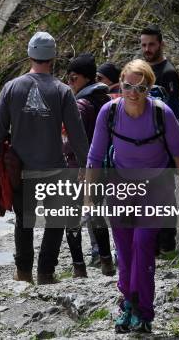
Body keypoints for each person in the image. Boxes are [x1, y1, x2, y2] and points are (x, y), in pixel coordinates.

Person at [85, 60, 179, 333]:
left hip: (156, 185)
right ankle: (128, 305)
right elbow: (95, 156)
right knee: (124, 248)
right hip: (120, 184)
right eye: (127, 86)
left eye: (141, 88)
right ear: (120, 84)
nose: (133, 93)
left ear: (149, 87)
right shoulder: (109, 113)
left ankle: (143, 311)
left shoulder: (162, 113)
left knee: (143, 243)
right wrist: (88, 196)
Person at [0, 31, 89, 285]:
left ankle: (23, 273)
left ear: (30, 53)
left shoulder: (12, 88)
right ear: (53, 57)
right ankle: (46, 272)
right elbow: (77, 135)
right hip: (54, 166)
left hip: (20, 168)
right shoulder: (63, 91)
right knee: (55, 221)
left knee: (24, 221)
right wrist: (86, 165)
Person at [63, 53, 115, 278]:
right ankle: (106, 260)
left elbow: (74, 142)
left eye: (73, 78)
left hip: (80, 169)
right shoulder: (107, 99)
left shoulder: (81, 105)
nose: (69, 83)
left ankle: (78, 267)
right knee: (97, 214)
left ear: (85, 78)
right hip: (106, 166)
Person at [140, 25, 179, 253]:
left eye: (151, 44)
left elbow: (173, 113)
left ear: (161, 44)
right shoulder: (141, 71)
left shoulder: (168, 73)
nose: (147, 49)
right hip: (142, 144)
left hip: (164, 145)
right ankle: (151, 243)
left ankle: (167, 243)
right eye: (144, 45)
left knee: (164, 193)